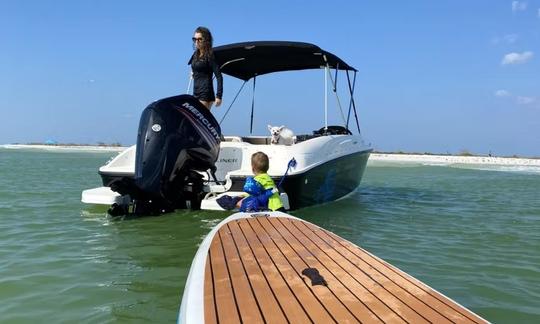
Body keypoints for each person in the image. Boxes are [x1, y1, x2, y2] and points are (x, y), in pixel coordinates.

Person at [188, 26, 223, 110]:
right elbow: (194, 68)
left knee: (198, 120)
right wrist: (193, 73)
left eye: (199, 39)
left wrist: (219, 96)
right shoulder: (195, 55)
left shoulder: (210, 56)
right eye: (194, 39)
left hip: (205, 93)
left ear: (206, 40)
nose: (197, 42)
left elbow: (219, 76)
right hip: (195, 92)